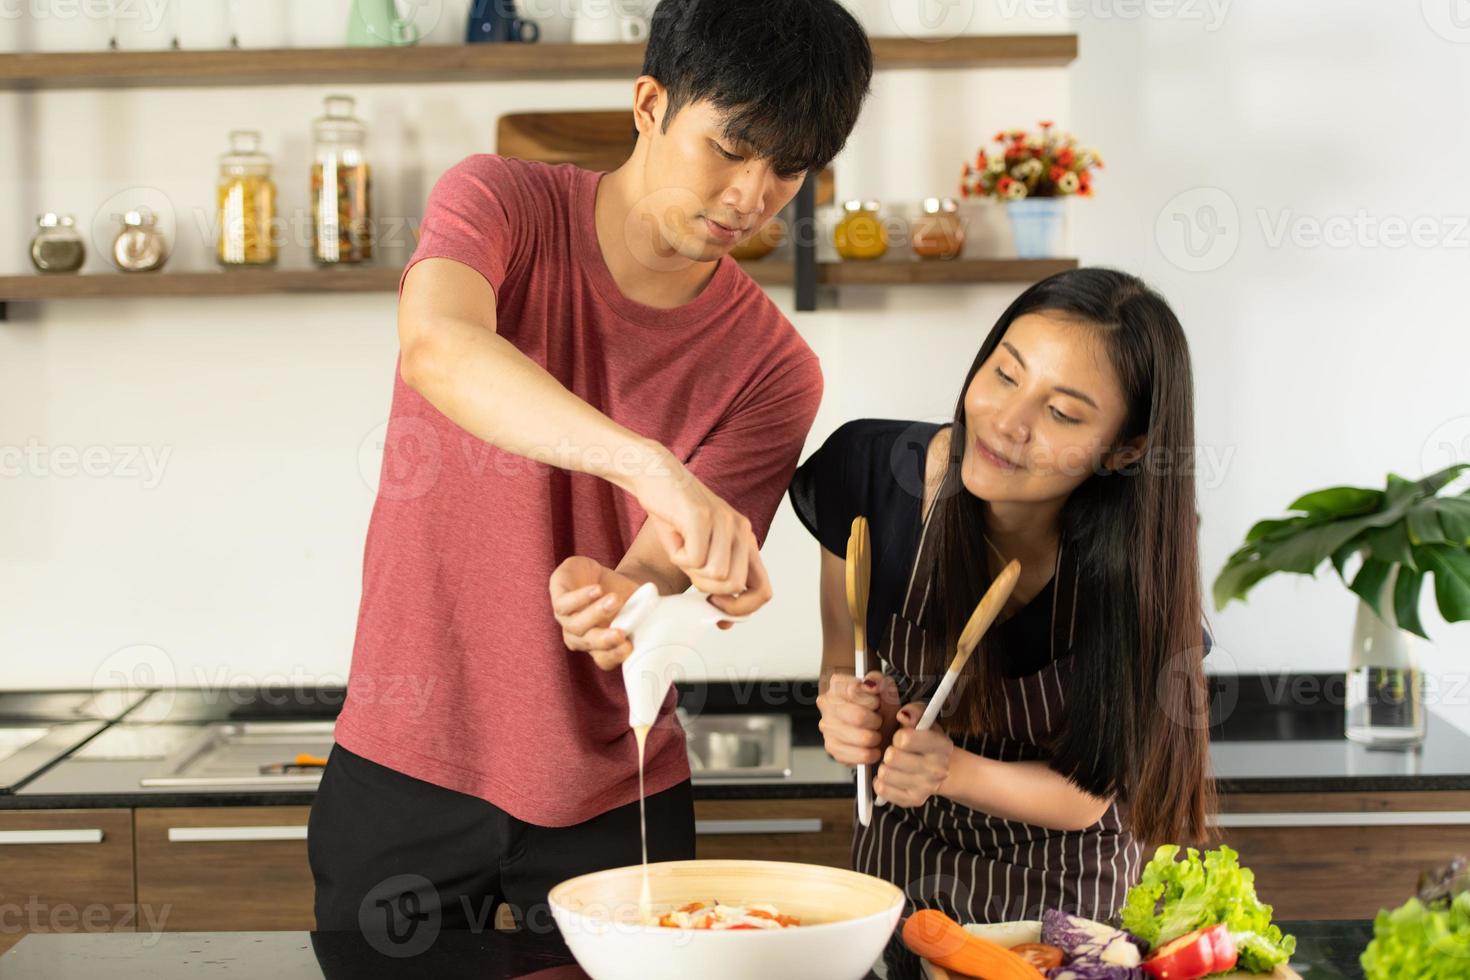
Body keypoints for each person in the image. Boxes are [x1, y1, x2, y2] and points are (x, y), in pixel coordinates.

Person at [309, 0, 873, 940]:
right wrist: (650, 465)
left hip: (617, 798)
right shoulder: (498, 204)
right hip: (405, 768)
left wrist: (615, 598)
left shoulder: (775, 370)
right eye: (730, 148)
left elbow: (651, 577)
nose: (753, 196)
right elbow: (440, 350)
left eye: (789, 169)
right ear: (649, 103)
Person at [792, 267, 1215, 978]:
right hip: (903, 890)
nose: (1008, 423)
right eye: (1005, 374)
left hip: (1064, 912)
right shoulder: (870, 480)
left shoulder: (1135, 572)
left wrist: (951, 768)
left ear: (1126, 448)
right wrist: (851, 713)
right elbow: (843, 657)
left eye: (1065, 414)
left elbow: (1087, 796)